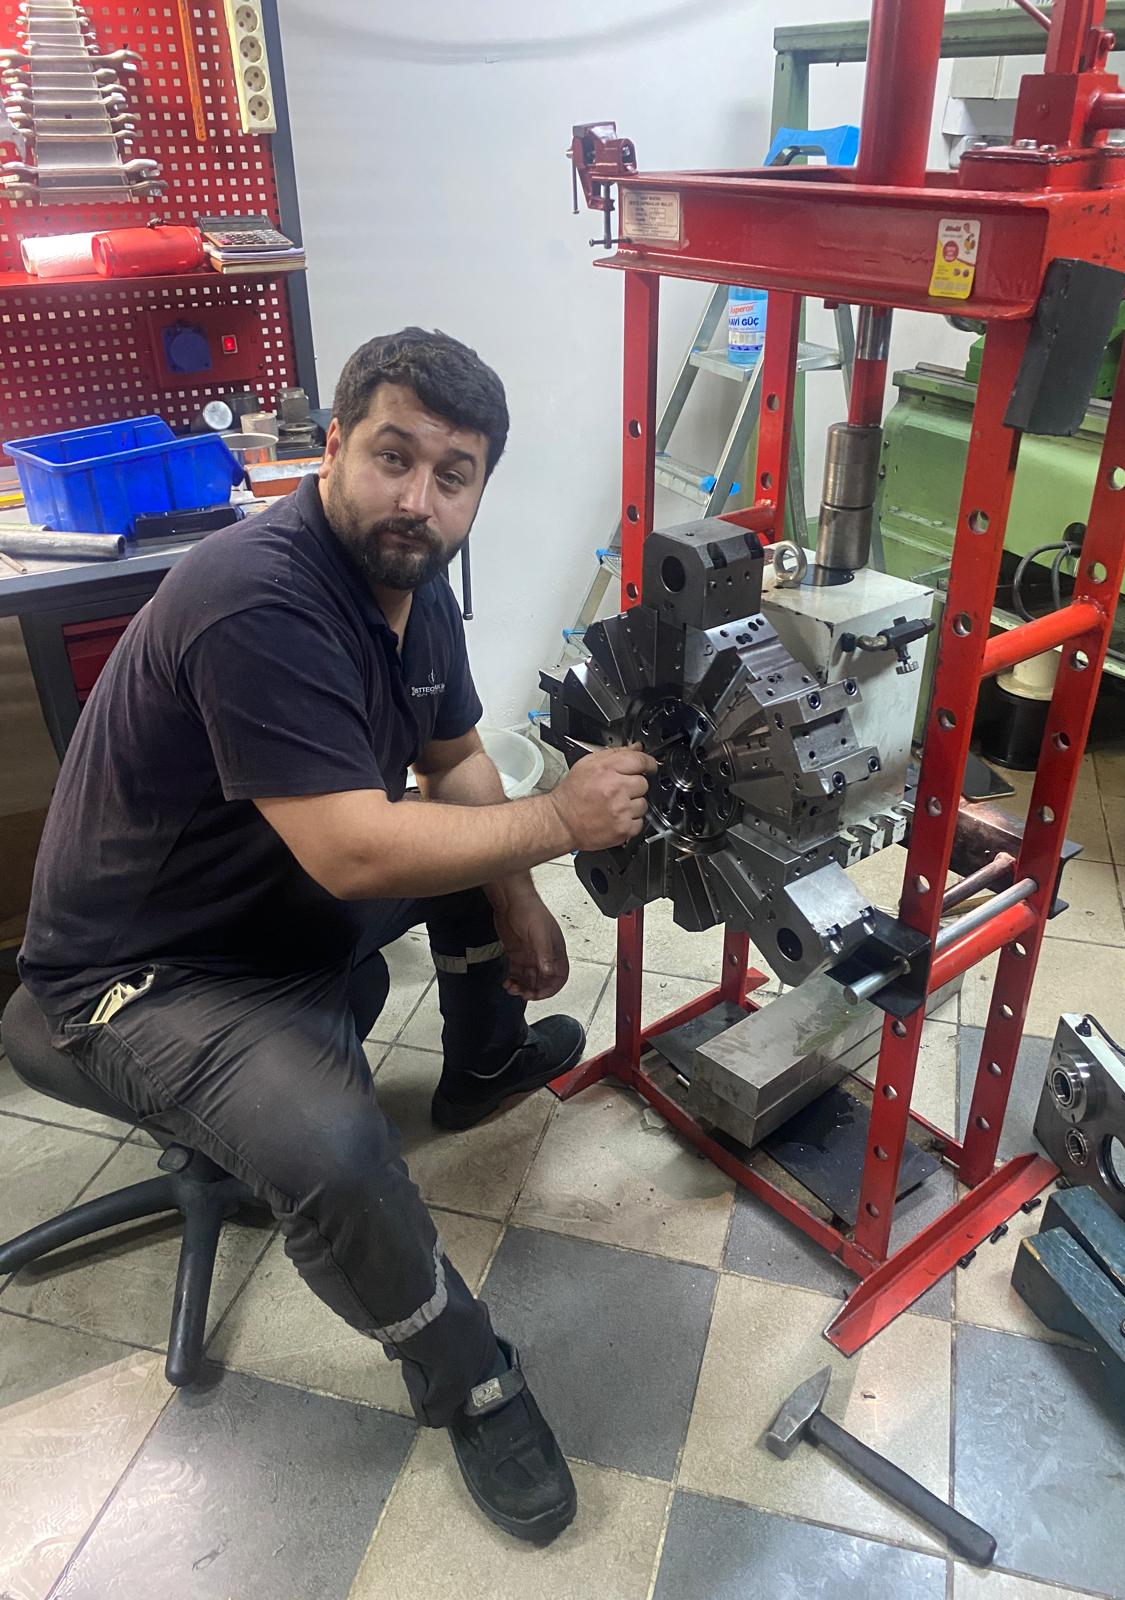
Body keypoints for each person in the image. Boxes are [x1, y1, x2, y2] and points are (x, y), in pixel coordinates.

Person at [18, 328, 655, 1545]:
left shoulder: (414, 585)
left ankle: (479, 1067)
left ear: (479, 489)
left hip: (278, 896)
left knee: (468, 843)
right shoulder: (256, 595)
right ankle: (467, 1378)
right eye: (392, 457)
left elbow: (452, 759)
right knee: (337, 1150)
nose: (419, 499)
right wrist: (562, 820)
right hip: (149, 968)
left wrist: (520, 890)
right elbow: (359, 852)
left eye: (453, 475)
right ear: (333, 450)